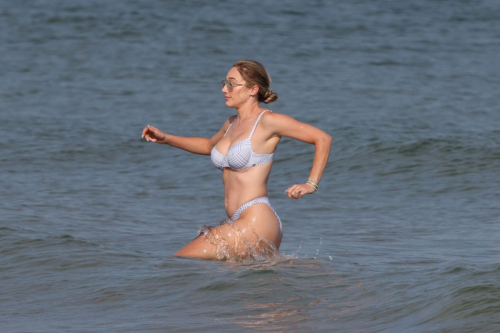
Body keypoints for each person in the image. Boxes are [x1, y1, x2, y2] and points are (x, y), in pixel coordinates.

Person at [142, 60, 332, 260]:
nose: (225, 89)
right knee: (244, 290)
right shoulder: (231, 124)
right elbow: (208, 146)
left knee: (180, 261)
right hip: (238, 219)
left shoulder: (268, 121)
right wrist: (165, 139)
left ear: (253, 89)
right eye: (224, 83)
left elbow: (323, 138)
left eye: (232, 84)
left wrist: (310, 184)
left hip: (257, 218)